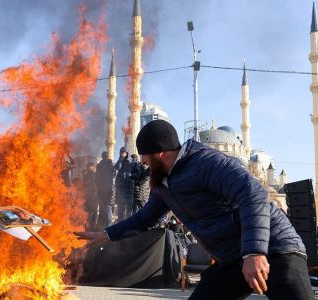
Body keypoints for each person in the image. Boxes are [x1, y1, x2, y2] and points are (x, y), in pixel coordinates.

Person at [76, 119, 313, 299]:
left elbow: (253, 194)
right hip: (233, 259)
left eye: (145, 158)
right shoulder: (165, 182)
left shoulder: (206, 163)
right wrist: (105, 235)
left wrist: (254, 252)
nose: (143, 163)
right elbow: (144, 219)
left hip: (276, 249)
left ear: (160, 153)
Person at [114, 147, 134, 221]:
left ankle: (129, 227)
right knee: (120, 210)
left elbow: (131, 176)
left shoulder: (129, 163)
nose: (122, 153)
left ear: (126, 153)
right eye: (121, 152)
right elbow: (117, 167)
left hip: (127, 190)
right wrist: (120, 159)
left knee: (129, 211)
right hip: (120, 189)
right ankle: (120, 226)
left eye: (124, 152)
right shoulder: (120, 161)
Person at [82, 162, 98, 230]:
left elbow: (97, 185)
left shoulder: (95, 175)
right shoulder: (85, 175)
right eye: (89, 166)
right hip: (87, 196)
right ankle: (88, 227)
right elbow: (84, 185)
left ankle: (93, 227)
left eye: (92, 166)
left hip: (94, 196)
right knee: (88, 212)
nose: (90, 167)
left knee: (94, 211)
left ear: (93, 167)